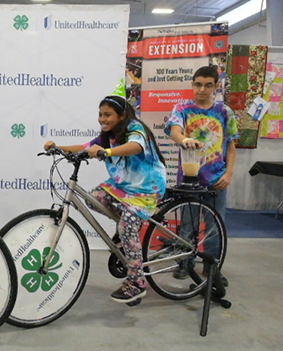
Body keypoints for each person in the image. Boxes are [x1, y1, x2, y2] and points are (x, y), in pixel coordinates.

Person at [44, 94, 166, 304]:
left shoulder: (135, 128)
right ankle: (128, 228)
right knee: (93, 199)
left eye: (108, 115)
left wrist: (106, 152)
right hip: (123, 186)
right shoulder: (108, 134)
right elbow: (86, 146)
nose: (102, 119)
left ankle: (136, 283)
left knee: (126, 227)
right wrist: (58, 148)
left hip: (146, 188)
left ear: (122, 115)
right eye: (100, 115)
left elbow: (135, 147)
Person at [164, 65, 238, 286]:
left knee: (216, 224)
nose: (202, 90)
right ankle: (184, 263)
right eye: (198, 84)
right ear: (192, 85)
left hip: (217, 179)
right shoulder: (182, 108)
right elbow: (175, 130)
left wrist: (229, 173)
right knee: (188, 223)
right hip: (189, 180)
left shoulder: (224, 112)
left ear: (216, 86)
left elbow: (231, 145)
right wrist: (184, 140)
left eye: (207, 85)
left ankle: (211, 266)